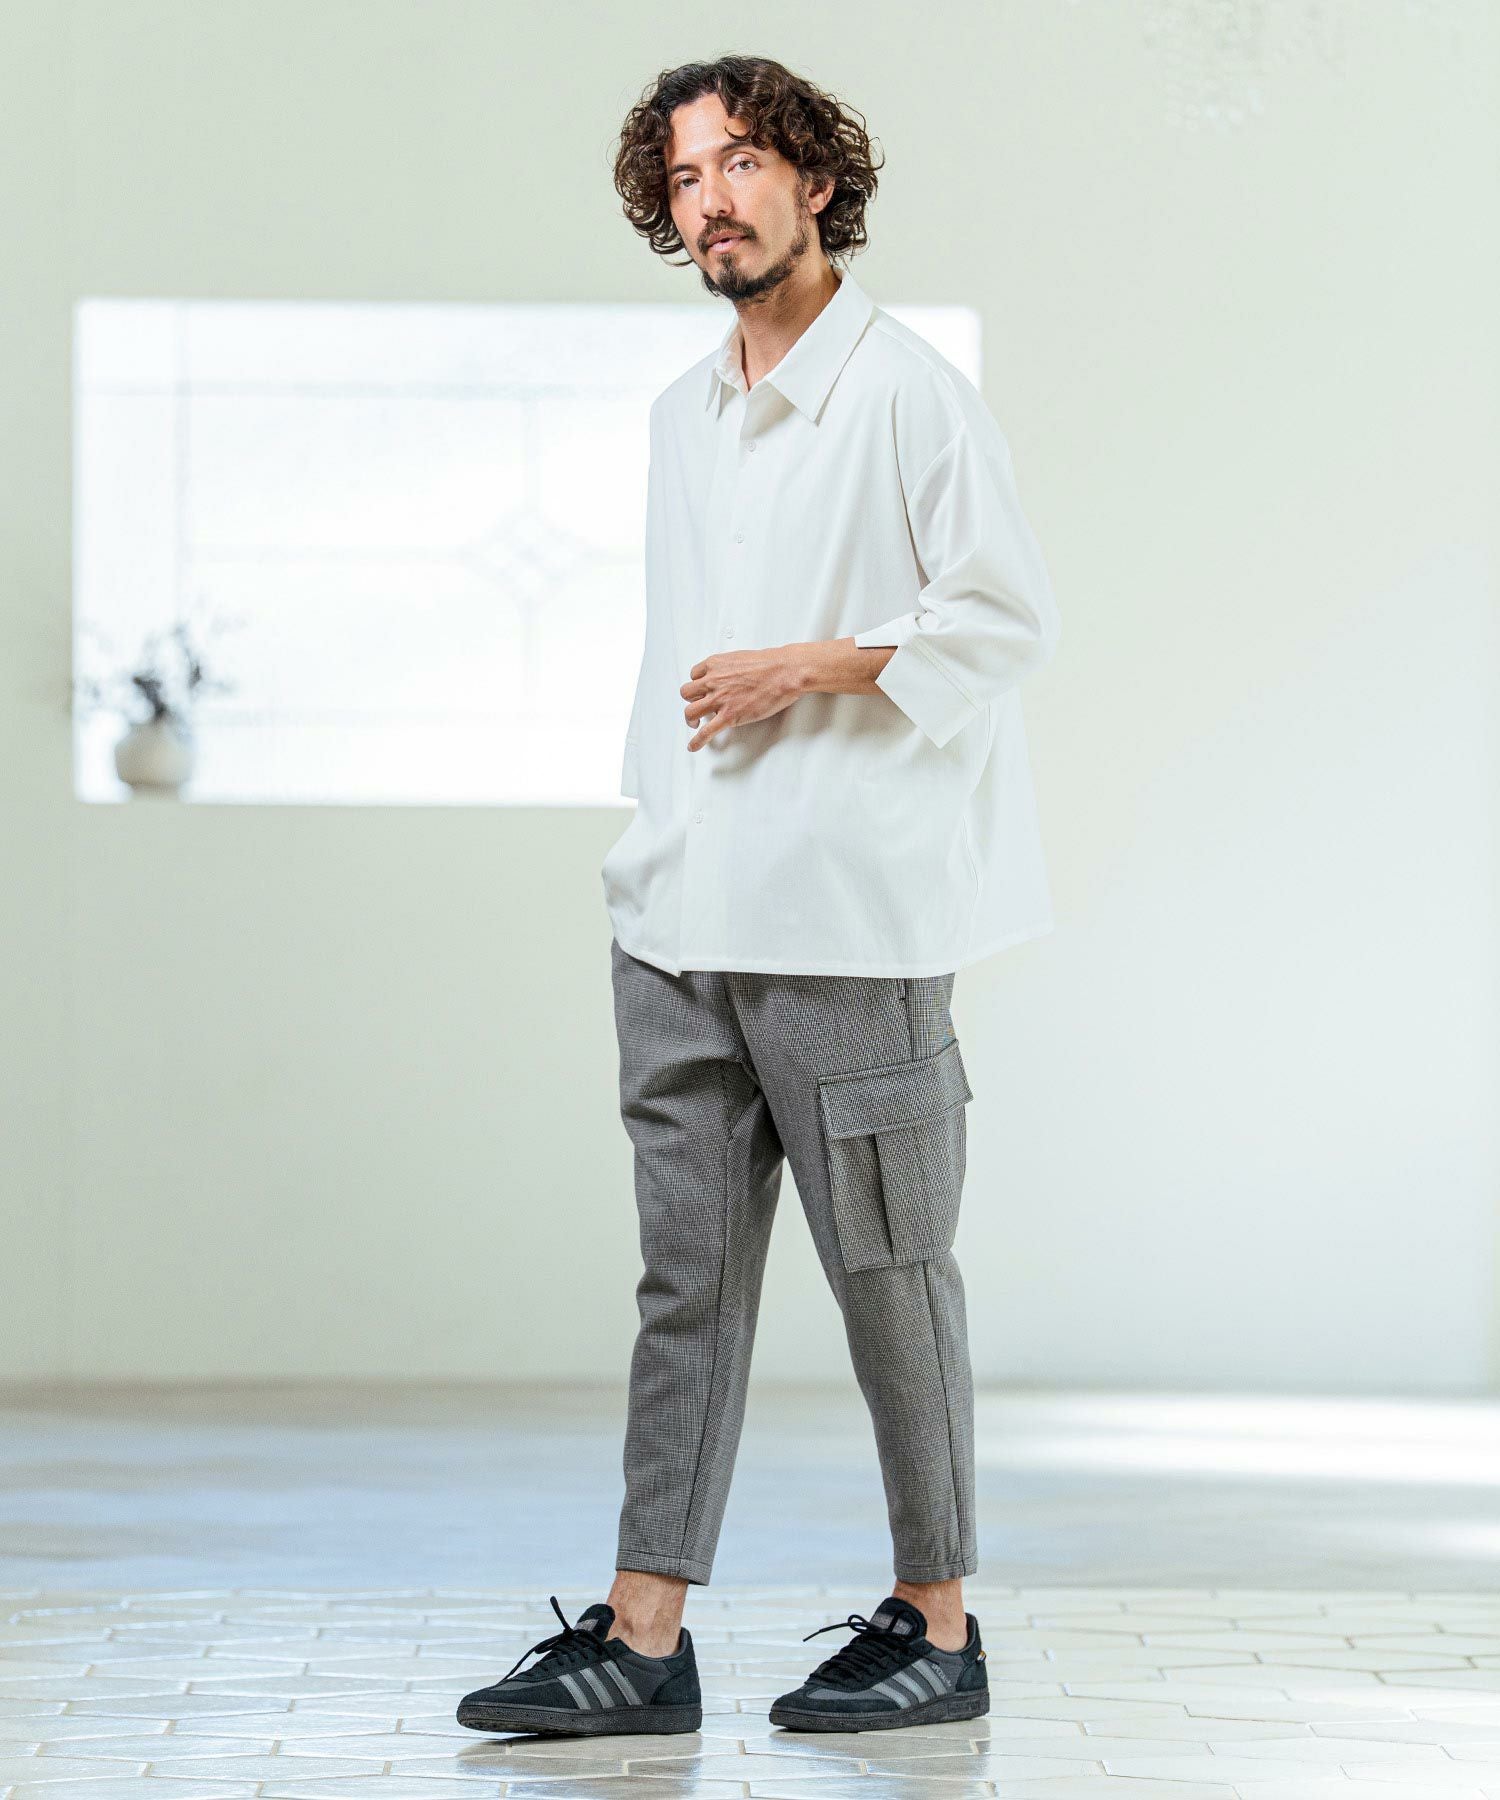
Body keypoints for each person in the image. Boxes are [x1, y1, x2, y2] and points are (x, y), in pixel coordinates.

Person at [458, 51, 1060, 1740]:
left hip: (848, 919)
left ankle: (938, 1624)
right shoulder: (683, 413)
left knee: (892, 1273)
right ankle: (644, 1640)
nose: (709, 199)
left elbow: (1007, 619)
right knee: (689, 1289)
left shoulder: (909, 394)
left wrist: (814, 663)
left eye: (740, 163)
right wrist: (647, 847)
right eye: (683, 176)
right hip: (681, 912)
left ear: (815, 181)